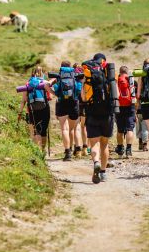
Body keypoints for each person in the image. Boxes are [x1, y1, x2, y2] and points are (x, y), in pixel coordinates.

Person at [83, 53, 115, 183]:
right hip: (107, 114)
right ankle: (103, 171)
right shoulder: (110, 75)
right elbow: (114, 94)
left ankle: (96, 162)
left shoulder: (88, 76)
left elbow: (84, 98)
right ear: (104, 62)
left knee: (94, 143)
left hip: (92, 113)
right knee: (104, 144)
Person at [19, 66, 53, 153]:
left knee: (36, 130)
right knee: (44, 130)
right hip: (44, 108)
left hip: (32, 109)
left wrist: (19, 113)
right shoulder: (44, 82)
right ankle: (42, 150)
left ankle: (37, 151)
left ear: (32, 73)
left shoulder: (28, 84)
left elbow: (24, 101)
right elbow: (51, 96)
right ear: (42, 73)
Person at [53, 60, 82, 161]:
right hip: (74, 104)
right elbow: (79, 90)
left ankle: (68, 152)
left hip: (62, 104)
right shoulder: (75, 76)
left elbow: (56, 91)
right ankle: (77, 150)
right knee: (72, 129)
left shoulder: (59, 77)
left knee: (64, 129)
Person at [115, 66, 136, 159]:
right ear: (127, 72)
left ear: (120, 72)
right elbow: (135, 96)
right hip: (130, 106)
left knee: (120, 130)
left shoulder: (117, 80)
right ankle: (128, 149)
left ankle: (120, 149)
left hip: (119, 106)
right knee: (129, 129)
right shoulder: (131, 80)